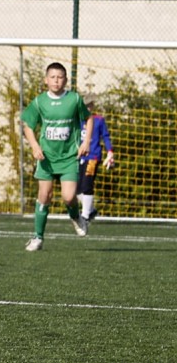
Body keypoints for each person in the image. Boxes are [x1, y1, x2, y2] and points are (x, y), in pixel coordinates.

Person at [21, 62, 93, 252]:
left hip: (69, 157)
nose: (56, 81)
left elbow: (89, 118)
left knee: (69, 197)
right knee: (44, 195)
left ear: (66, 80)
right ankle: (38, 237)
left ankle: (77, 218)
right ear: (46, 80)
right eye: (52, 77)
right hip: (46, 158)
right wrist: (35, 146)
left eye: (60, 77)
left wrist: (86, 142)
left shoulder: (74, 99)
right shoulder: (39, 102)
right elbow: (28, 126)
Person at [77, 94, 115, 222]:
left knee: (87, 184)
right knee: (76, 188)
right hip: (79, 157)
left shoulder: (98, 120)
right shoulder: (76, 120)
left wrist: (110, 152)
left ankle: (85, 215)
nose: (87, 108)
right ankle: (91, 210)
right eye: (84, 106)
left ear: (92, 106)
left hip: (92, 156)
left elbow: (105, 136)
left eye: (89, 105)